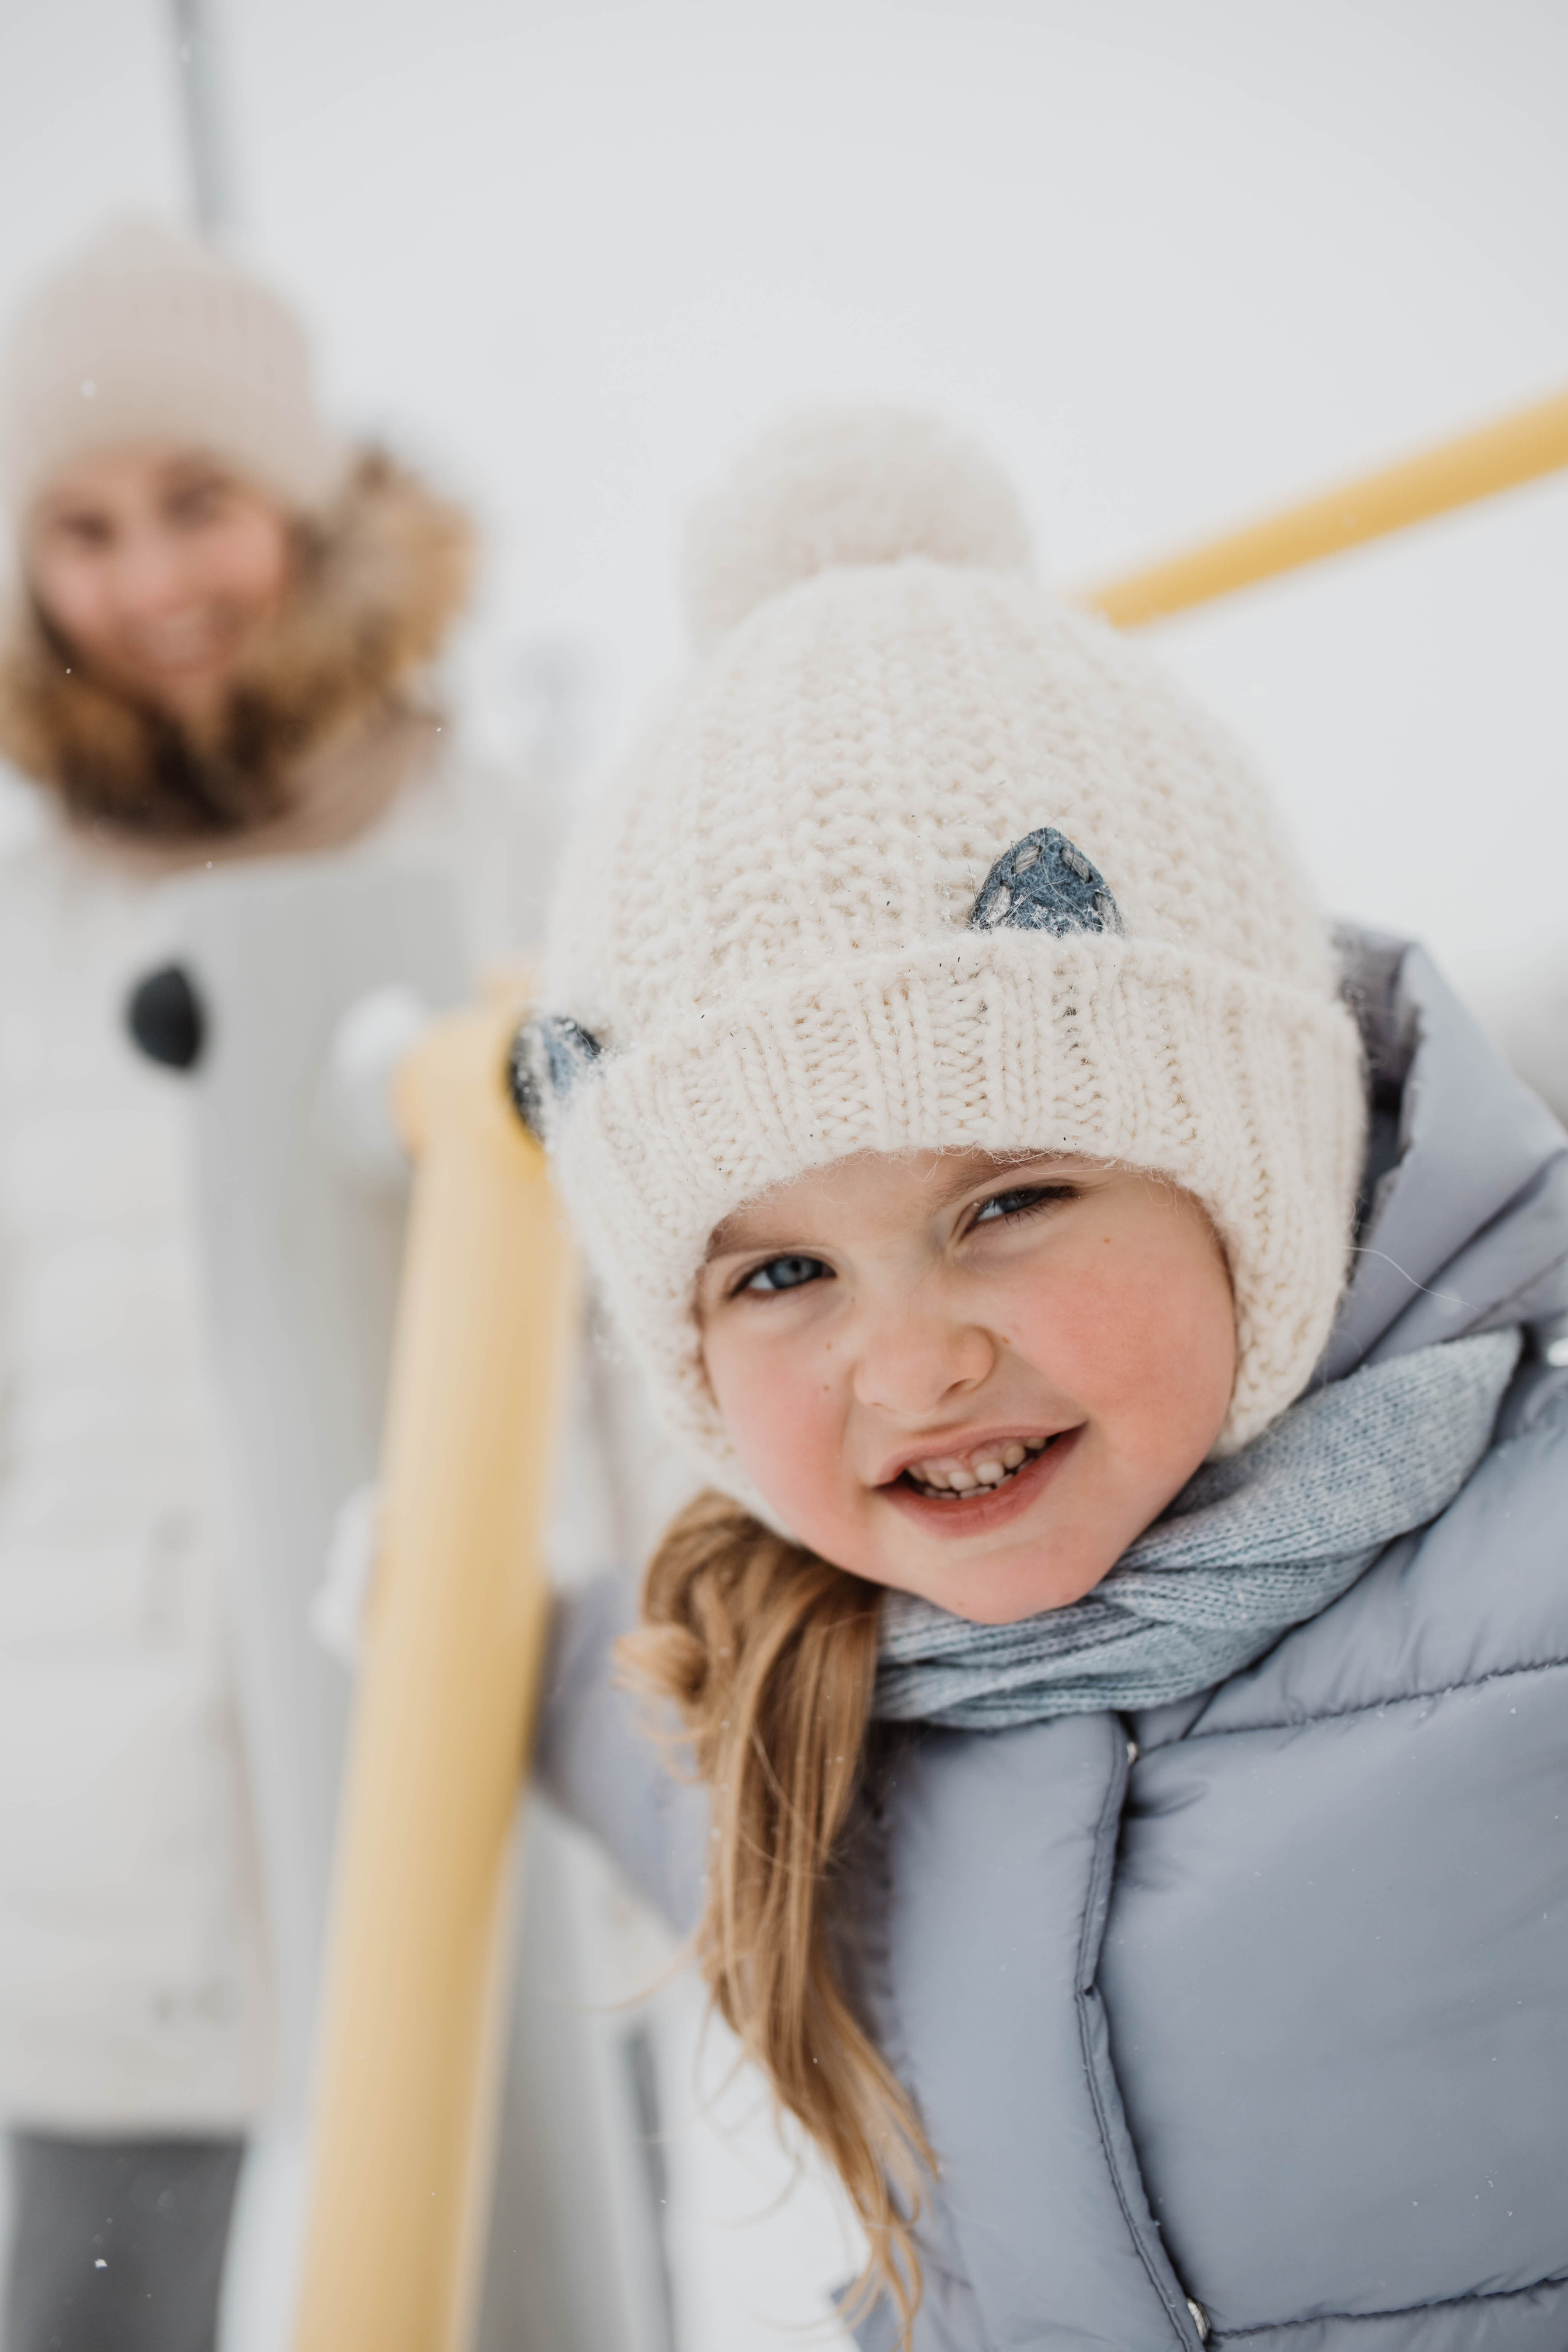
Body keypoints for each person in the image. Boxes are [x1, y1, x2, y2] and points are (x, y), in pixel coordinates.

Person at [527, 409, 1568, 2350]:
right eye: (778, 1271)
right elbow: (668, 1767)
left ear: (1254, 1177)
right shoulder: (810, 1691)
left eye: (1008, 1197)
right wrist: (485, 1656)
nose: (912, 1358)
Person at [0, 219, 513, 2352]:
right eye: (84, 529)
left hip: (475, 1687)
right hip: (99, 1768)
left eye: (198, 503)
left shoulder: (514, 848)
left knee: (529, 2235)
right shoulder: (23, 941)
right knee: (96, 2299)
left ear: (306, 511)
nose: (151, 584)